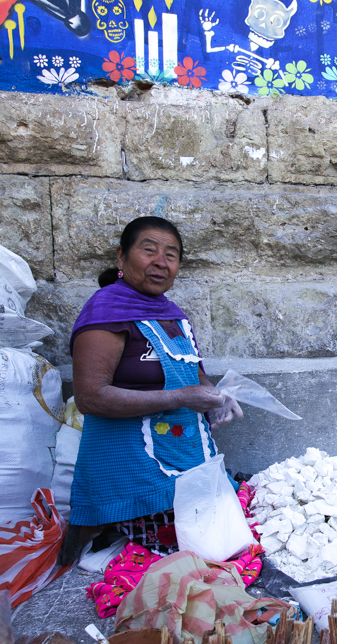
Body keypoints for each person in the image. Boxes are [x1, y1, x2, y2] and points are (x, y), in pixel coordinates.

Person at [59, 216, 242, 564]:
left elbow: (197, 378)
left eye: (171, 255)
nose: (161, 262)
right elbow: (90, 396)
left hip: (187, 459)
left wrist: (217, 398)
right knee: (186, 558)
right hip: (129, 469)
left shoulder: (174, 315)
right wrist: (180, 398)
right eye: (149, 250)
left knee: (229, 541)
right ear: (121, 258)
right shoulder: (106, 311)